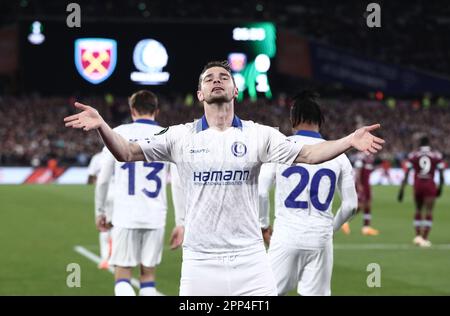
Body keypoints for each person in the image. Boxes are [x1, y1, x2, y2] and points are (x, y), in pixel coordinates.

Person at [64, 60, 384, 296]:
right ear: (200, 93)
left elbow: (309, 154)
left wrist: (348, 140)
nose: (217, 80)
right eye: (209, 78)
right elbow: (127, 152)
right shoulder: (180, 136)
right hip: (200, 261)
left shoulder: (261, 135)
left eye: (224, 77)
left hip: (251, 261)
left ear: (235, 89)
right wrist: (104, 126)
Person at [258, 91, 358, 296]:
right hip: (320, 239)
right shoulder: (338, 154)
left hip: (285, 235)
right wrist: (331, 229)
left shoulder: (280, 148)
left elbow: (261, 191)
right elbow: (351, 206)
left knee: (265, 295)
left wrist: (263, 225)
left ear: (293, 120)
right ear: (320, 121)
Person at [95, 90, 170, 296]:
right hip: (155, 216)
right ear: (156, 110)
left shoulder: (117, 132)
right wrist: (181, 221)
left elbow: (102, 179)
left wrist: (100, 211)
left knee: (122, 274)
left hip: (125, 215)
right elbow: (179, 181)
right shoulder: (168, 135)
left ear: (132, 110)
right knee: (148, 277)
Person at [398, 136, 445, 247]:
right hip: (430, 184)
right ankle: (425, 238)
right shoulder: (436, 155)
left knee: (418, 210)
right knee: (429, 211)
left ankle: (418, 236)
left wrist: (402, 190)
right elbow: (442, 173)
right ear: (429, 144)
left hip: (418, 184)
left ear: (419, 144)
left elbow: (407, 172)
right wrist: (440, 188)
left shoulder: (413, 155)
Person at [87, 151, 113, 270]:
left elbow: (91, 175)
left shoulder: (97, 157)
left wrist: (93, 183)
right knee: (117, 226)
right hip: (121, 193)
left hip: (104, 193)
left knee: (103, 226)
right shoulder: (121, 151)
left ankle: (105, 259)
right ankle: (114, 257)